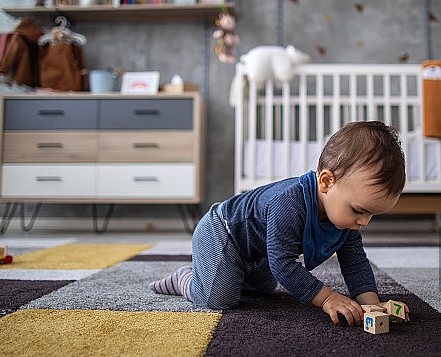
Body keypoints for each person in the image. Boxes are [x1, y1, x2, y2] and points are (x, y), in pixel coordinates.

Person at [148, 120, 408, 325]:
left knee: (263, 290)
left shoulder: (347, 220)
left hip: (258, 252)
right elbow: (283, 264)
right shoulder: (289, 202)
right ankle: (188, 279)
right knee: (219, 298)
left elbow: (355, 262)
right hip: (222, 232)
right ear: (327, 182)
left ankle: (228, 272)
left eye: (371, 215)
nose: (363, 222)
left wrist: (371, 304)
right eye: (359, 210)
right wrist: (327, 297)